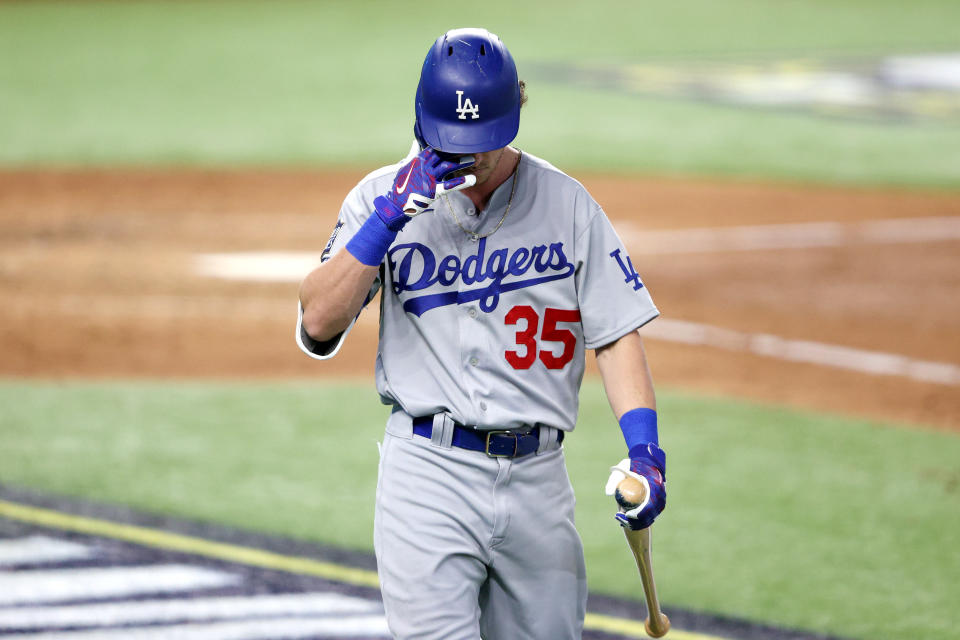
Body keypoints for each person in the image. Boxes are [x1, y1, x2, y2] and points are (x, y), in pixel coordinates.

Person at [297, 27, 666, 640]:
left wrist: (647, 453)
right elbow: (317, 323)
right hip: (427, 475)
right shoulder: (379, 199)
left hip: (539, 479)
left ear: (516, 113)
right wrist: (389, 218)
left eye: (484, 145)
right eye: (453, 142)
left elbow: (617, 333)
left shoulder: (569, 206)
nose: (469, 159)